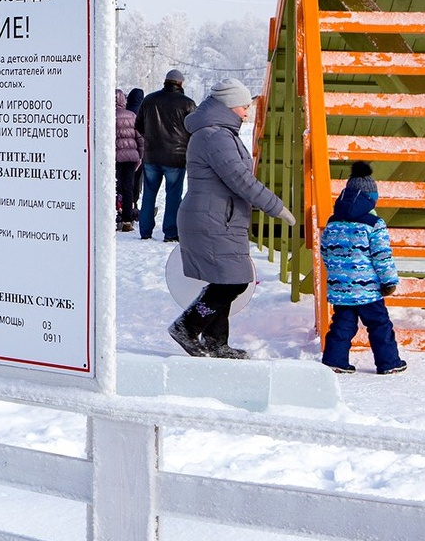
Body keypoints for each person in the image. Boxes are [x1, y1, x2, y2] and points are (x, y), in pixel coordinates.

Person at [169, 78, 295, 359]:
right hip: (212, 219)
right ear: (228, 106)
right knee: (232, 282)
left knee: (225, 279)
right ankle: (187, 327)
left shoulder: (219, 133)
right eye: (243, 106)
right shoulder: (215, 136)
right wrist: (277, 208)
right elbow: (241, 180)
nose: (246, 112)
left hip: (220, 217)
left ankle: (216, 342)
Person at [319, 162, 405, 375]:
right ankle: (389, 363)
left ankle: (334, 361)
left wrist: (338, 276)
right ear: (371, 199)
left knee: (341, 325)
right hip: (368, 290)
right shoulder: (374, 224)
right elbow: (382, 256)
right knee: (379, 325)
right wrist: (389, 282)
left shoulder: (333, 222)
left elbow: (326, 251)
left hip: (341, 289)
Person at [134, 69, 196, 241]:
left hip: (151, 156)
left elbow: (138, 125)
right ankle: (170, 232)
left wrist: (151, 138)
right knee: (173, 195)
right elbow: (194, 129)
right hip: (176, 157)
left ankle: (145, 231)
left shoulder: (149, 100)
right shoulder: (188, 104)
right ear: (181, 84)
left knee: (149, 193)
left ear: (165, 81)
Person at [114, 89, 143, 232]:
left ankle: (114, 216)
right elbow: (139, 138)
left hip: (115, 157)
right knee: (128, 188)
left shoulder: (107, 116)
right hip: (131, 157)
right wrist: (140, 156)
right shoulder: (132, 116)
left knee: (113, 188)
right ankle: (127, 220)